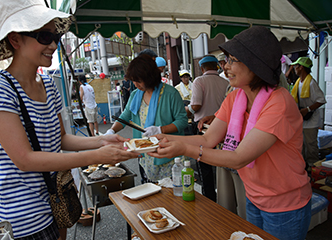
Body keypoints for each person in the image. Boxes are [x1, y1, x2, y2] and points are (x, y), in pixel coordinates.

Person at [0, 1, 139, 239]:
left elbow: (61, 139)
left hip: (57, 201)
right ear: (15, 39)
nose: (53, 44)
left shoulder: (49, 86)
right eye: (44, 36)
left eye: (56, 36)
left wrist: (103, 141)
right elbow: (24, 159)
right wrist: (97, 156)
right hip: (23, 216)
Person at [150, 26, 311, 240]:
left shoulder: (279, 102)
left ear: (256, 64)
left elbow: (238, 158)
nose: (225, 66)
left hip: (285, 205)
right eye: (226, 59)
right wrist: (165, 137)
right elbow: (208, 139)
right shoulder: (235, 98)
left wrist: (184, 149)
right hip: (254, 197)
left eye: (233, 60)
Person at [105, 55, 188, 183]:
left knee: (171, 195)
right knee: (150, 192)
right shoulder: (135, 95)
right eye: (133, 81)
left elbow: (182, 121)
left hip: (167, 153)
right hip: (144, 155)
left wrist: (160, 129)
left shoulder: (170, 94)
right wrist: (111, 131)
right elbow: (125, 117)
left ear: (150, 77)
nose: (135, 84)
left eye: (139, 80)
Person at [185, 55, 229, 202]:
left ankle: (209, 198)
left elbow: (196, 105)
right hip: (222, 127)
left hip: (204, 128)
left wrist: (185, 110)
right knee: (222, 166)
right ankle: (224, 198)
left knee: (204, 166)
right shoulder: (225, 82)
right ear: (217, 66)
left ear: (202, 68)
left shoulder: (199, 81)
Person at [291, 57, 326, 171]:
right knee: (302, 145)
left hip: (311, 120)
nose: (294, 68)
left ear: (301, 67)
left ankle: (313, 168)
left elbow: (321, 100)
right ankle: (305, 167)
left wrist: (307, 109)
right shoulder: (298, 82)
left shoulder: (311, 83)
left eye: (296, 66)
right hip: (302, 120)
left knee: (311, 146)